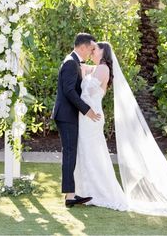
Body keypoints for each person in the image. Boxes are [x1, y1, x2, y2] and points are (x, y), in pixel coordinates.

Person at [74, 41, 167, 216]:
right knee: (90, 154)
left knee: (93, 154)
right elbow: (80, 66)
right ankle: (89, 191)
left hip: (91, 117)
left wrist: (78, 85)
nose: (92, 52)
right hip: (89, 117)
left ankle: (101, 193)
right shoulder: (97, 69)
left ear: (104, 53)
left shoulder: (102, 69)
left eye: (95, 49)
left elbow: (85, 92)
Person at [53, 32, 101, 207]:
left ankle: (71, 194)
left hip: (68, 115)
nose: (91, 52)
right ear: (82, 47)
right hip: (66, 115)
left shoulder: (74, 62)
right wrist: (86, 110)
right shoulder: (70, 63)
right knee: (69, 153)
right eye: (90, 48)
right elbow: (69, 91)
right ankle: (70, 196)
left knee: (71, 153)